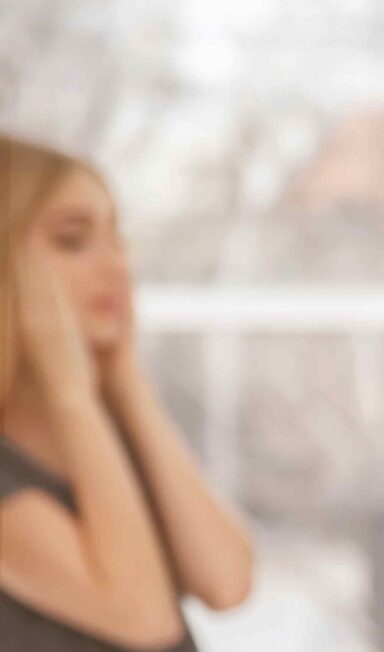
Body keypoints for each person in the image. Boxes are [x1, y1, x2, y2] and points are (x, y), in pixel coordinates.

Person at [0, 134, 255, 651]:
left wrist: (125, 380)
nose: (116, 267)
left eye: (117, 238)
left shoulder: (103, 437)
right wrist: (70, 392)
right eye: (74, 241)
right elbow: (144, 618)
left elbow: (227, 581)